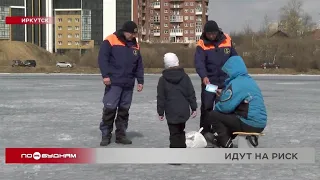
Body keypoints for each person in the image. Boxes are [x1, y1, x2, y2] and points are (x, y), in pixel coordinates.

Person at [98, 21, 144, 146]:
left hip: (128, 84)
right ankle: (106, 135)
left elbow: (139, 65)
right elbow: (103, 58)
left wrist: (140, 80)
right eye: (132, 33)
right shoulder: (110, 40)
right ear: (125, 31)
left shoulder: (135, 45)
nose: (133, 36)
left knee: (124, 110)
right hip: (114, 82)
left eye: (135, 34)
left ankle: (121, 135)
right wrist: (105, 75)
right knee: (109, 109)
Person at [205, 55, 267, 148]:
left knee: (214, 115)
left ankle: (225, 142)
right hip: (260, 123)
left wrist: (220, 101)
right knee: (231, 117)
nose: (227, 74)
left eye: (228, 71)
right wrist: (224, 94)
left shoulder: (236, 83)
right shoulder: (249, 80)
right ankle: (224, 138)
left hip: (249, 123)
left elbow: (225, 107)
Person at [194, 20, 238, 136]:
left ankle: (222, 132)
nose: (211, 36)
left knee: (223, 107)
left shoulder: (227, 40)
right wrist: (203, 76)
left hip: (225, 82)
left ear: (217, 31)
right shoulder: (202, 44)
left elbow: (235, 59)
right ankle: (205, 131)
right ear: (205, 33)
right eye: (209, 34)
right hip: (210, 83)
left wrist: (235, 74)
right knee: (207, 106)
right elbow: (199, 62)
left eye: (213, 33)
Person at [157, 52, 197, 148]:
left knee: (174, 133)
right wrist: (194, 108)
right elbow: (190, 93)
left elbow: (161, 97)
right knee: (180, 130)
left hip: (171, 111)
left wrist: (160, 112)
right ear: (177, 62)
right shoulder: (185, 77)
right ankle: (181, 148)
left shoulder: (162, 79)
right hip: (183, 110)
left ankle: (176, 154)